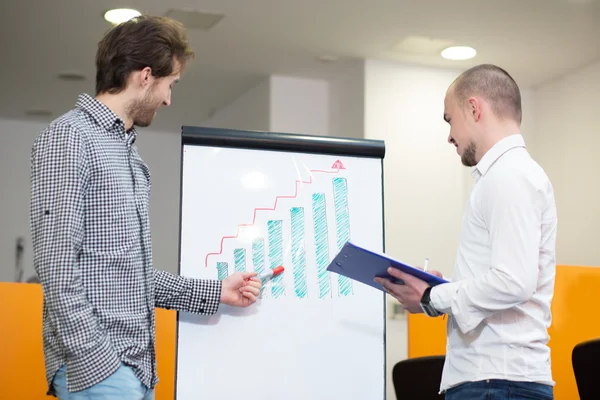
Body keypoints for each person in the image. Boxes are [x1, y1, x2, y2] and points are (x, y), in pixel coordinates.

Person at [29, 15, 261, 399]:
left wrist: (216, 291)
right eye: (170, 85)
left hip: (133, 368)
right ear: (145, 76)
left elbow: (127, 273)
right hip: (100, 370)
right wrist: (94, 358)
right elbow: (55, 264)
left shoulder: (130, 156)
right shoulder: (70, 137)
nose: (169, 99)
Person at [376, 64, 557, 399]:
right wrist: (433, 293)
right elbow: (506, 278)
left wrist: (432, 296)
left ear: (474, 109)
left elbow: (514, 280)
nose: (449, 135)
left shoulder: (508, 177)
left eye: (449, 119)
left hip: (497, 383)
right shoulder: (506, 177)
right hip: (496, 381)